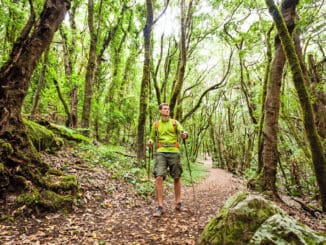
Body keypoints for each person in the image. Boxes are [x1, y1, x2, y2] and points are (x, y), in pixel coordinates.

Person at [147, 103, 188, 217]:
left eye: (168, 109)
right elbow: (151, 137)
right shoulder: (156, 124)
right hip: (161, 152)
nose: (167, 111)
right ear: (160, 111)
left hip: (174, 151)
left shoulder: (175, 123)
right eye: (165, 109)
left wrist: (184, 135)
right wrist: (150, 142)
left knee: (177, 177)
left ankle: (178, 203)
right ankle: (160, 206)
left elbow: (182, 132)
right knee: (159, 177)